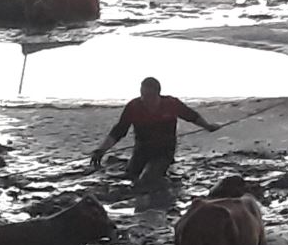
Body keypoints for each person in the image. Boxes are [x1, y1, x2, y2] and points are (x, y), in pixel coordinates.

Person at [90, 77, 220, 186]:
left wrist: (208, 126)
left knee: (147, 180)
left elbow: (191, 116)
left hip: (163, 151)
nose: (145, 100)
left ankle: (169, 183)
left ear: (158, 94)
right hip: (141, 150)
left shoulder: (171, 103)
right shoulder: (134, 106)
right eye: (143, 95)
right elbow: (119, 130)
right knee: (131, 175)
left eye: (149, 96)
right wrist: (101, 150)